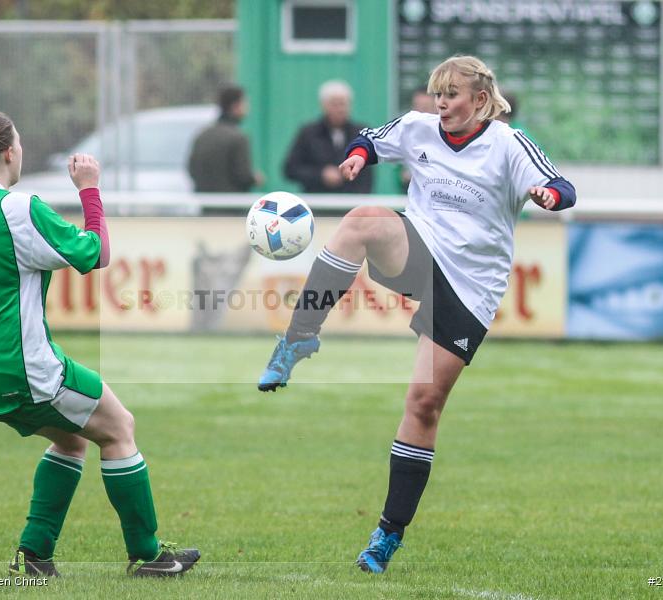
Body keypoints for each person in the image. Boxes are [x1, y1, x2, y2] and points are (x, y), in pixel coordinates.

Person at [257, 56, 576, 574]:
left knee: (424, 403)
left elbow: (563, 187)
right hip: (420, 249)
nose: (441, 103)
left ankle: (388, 534)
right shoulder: (418, 127)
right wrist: (357, 157)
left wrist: (547, 195)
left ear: (480, 100)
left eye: (452, 94)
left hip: (471, 286)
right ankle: (299, 337)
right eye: (437, 93)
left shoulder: (508, 144)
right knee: (363, 219)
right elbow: (368, 139)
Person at [0, 109, 199, 578]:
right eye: (20, 143)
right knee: (119, 427)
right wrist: (89, 189)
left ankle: (34, 556)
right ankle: (149, 556)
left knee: (70, 440)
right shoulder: (17, 208)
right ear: (9, 153)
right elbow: (97, 253)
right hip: (25, 367)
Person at [283, 80, 372, 193]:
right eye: (335, 104)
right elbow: (290, 169)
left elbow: (367, 173)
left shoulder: (360, 134)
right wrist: (320, 174)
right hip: (317, 198)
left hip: (351, 199)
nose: (340, 109)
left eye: (343, 104)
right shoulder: (308, 133)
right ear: (323, 105)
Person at [188, 84, 262, 192]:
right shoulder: (238, 138)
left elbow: (191, 170)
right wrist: (255, 179)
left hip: (204, 200)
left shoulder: (202, 135)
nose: (247, 108)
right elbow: (243, 176)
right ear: (235, 106)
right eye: (245, 103)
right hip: (232, 200)